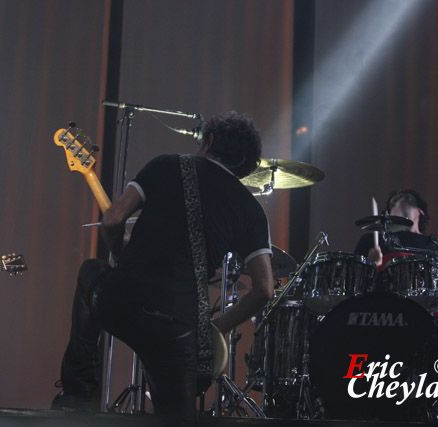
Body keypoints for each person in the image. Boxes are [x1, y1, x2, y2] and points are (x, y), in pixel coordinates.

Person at [52, 111, 274, 424]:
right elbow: (264, 288)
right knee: (175, 418)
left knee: (91, 270)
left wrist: (121, 256)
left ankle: (76, 395)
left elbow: (113, 219)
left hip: (122, 300)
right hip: (178, 328)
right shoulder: (251, 209)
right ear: (248, 165)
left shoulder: (167, 164)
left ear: (209, 140)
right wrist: (217, 328)